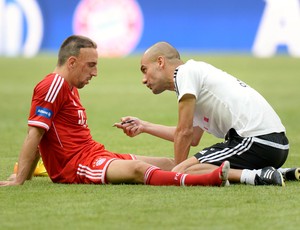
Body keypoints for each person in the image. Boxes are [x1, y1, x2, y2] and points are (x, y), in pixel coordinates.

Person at [0, 35, 230, 187]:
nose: (96, 72)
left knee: (170, 163)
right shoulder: (53, 85)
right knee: (139, 169)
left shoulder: (69, 88)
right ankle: (210, 179)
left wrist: (26, 174)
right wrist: (20, 179)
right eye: (91, 65)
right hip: (76, 166)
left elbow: (44, 133)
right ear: (71, 62)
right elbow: (35, 134)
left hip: (94, 155)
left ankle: (236, 173)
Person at [114, 41, 299, 186]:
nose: (143, 79)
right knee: (194, 167)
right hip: (274, 146)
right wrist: (144, 126)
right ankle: (280, 173)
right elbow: (193, 136)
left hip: (256, 142)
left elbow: (184, 133)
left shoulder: (185, 73)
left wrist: (177, 174)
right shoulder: (195, 77)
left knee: (188, 169)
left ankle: (256, 176)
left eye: (144, 70)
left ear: (160, 62)